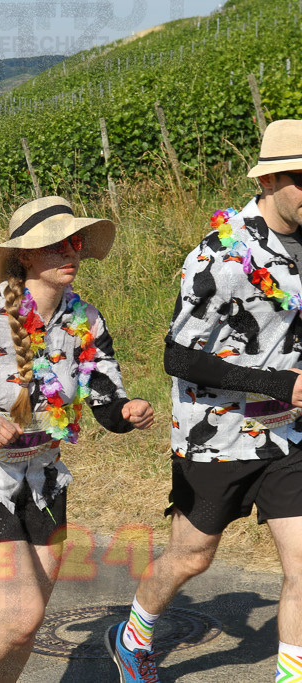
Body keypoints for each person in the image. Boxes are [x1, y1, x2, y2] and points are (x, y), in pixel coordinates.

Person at [0, 196, 154, 683]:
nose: (71, 253)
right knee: (17, 618)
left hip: (43, 482)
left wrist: (127, 413)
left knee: (26, 626)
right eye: (56, 245)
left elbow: (105, 398)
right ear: (24, 255)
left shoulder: (86, 320)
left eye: (76, 243)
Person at [104, 119, 302, 682]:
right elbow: (179, 358)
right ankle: (133, 635)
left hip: (289, 434)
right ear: (268, 181)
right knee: (192, 556)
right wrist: (278, 382)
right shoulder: (219, 256)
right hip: (219, 434)